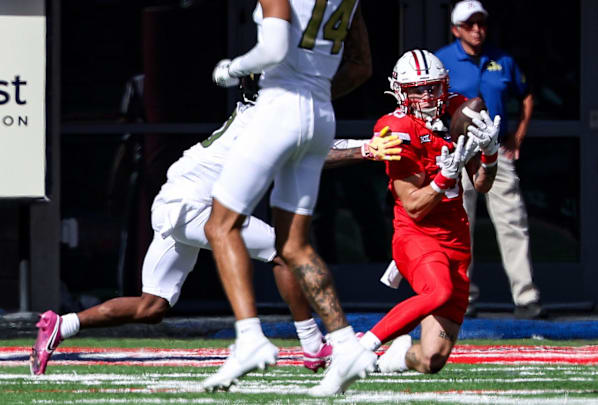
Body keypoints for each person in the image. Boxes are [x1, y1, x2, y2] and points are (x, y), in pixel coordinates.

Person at [29, 95, 401, 376]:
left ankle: (61, 324)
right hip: (191, 207)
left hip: (177, 204)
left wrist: (365, 146)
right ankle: (312, 344)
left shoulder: (262, 113)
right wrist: (365, 150)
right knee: (284, 251)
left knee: (152, 307)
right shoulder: (263, 121)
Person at [201, 0, 378, 396]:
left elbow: (274, 50)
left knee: (220, 224)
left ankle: (249, 337)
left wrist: (232, 69)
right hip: (320, 112)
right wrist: (314, 89)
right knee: (294, 245)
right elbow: (362, 66)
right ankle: (346, 345)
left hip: (280, 106)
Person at [356, 49, 500, 375]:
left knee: (432, 360)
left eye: (433, 87)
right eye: (417, 89)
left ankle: (393, 359)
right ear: (399, 92)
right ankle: (361, 345)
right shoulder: (395, 127)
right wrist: (444, 177)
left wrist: (490, 156)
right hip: (417, 233)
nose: (426, 95)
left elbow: (482, 184)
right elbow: (414, 206)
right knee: (439, 291)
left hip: (456, 236)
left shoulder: (459, 111)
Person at [435, 0, 541, 318]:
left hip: (494, 150)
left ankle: (526, 298)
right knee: (459, 224)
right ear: (456, 30)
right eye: (469, 25)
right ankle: (462, 298)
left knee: (512, 221)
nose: (477, 30)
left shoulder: (502, 59)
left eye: (481, 23)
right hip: (457, 150)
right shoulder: (441, 60)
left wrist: (517, 136)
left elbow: (526, 95)